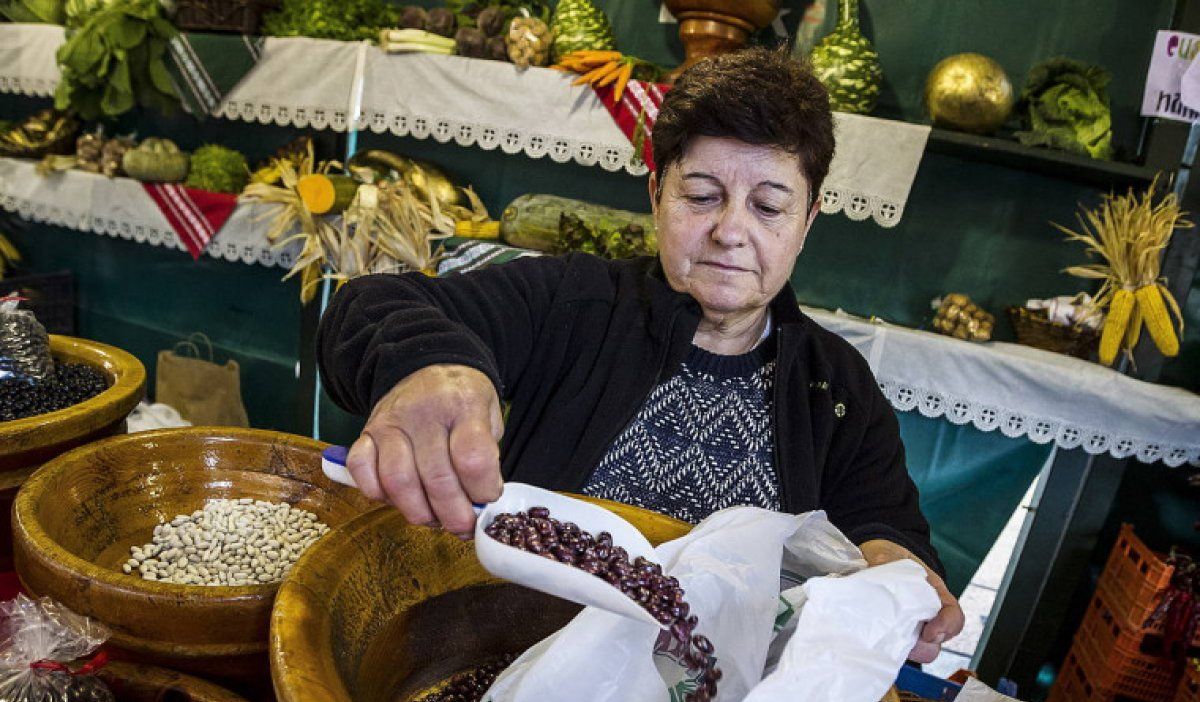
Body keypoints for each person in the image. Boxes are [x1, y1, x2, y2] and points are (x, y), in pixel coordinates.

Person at [317, 47, 964, 663]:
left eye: (768, 205)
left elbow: (884, 522)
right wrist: (433, 365)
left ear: (808, 221)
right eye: (702, 194)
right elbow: (368, 307)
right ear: (657, 195)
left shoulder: (837, 385)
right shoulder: (573, 300)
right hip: (508, 653)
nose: (731, 230)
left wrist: (894, 565)